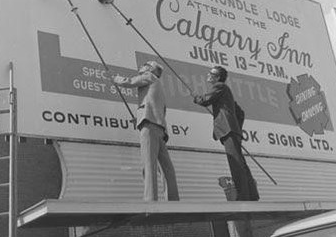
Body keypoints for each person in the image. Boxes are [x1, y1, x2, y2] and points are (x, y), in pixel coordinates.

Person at [107, 61, 180, 202]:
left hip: (150, 127)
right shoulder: (159, 85)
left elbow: (130, 82)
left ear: (150, 69)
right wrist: (140, 117)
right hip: (159, 129)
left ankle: (150, 199)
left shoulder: (149, 76)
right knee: (166, 168)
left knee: (149, 163)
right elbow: (158, 109)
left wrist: (114, 78)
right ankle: (173, 199)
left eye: (144, 64)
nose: (141, 66)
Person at [193, 66, 259, 201]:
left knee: (235, 163)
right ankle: (251, 194)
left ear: (217, 77)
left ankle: (243, 196)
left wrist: (196, 97)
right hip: (232, 131)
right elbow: (240, 113)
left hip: (229, 130)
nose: (208, 75)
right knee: (240, 162)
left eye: (211, 73)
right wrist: (237, 128)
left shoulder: (219, 86)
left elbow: (205, 100)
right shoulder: (225, 91)